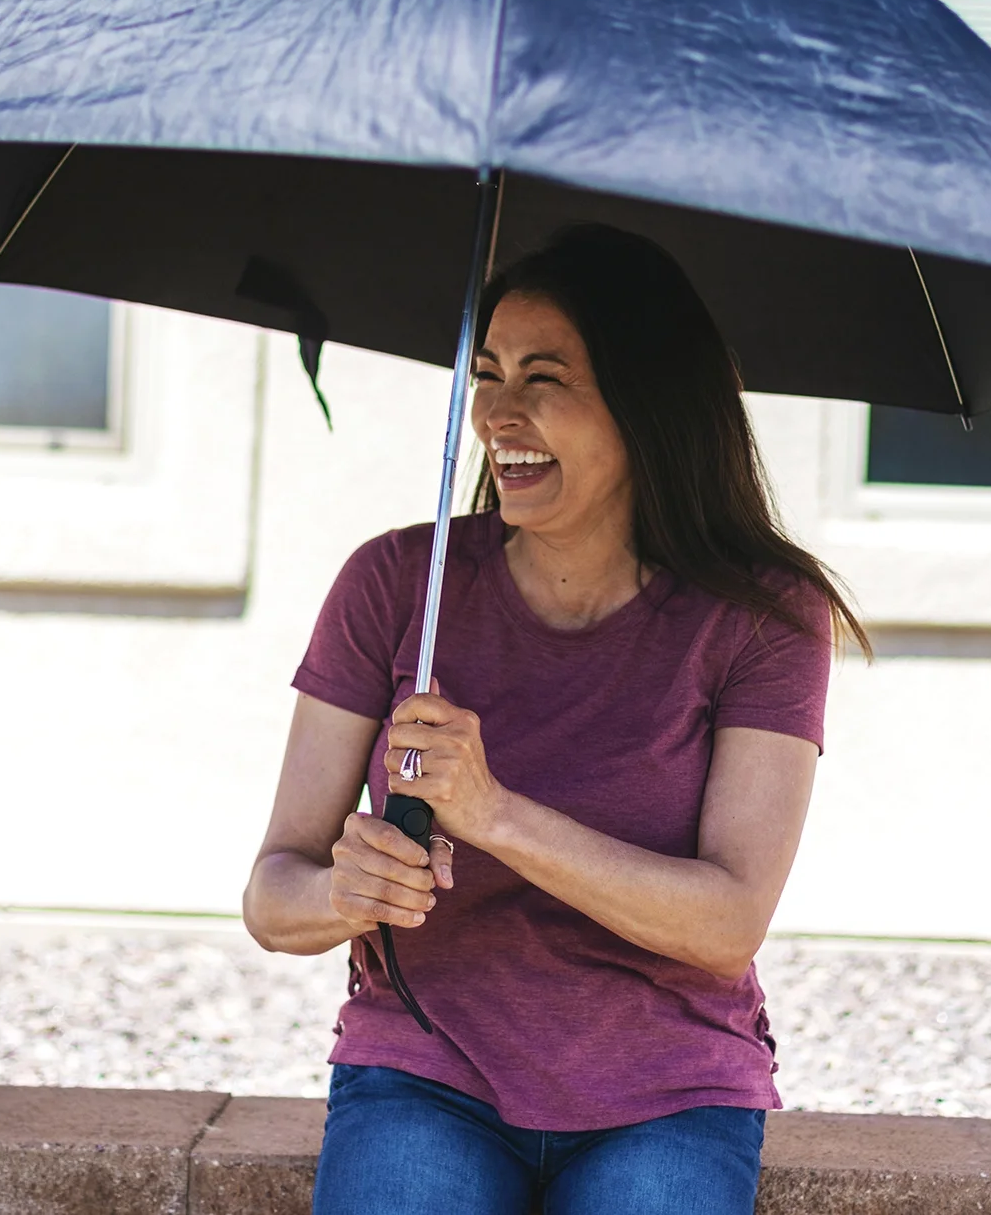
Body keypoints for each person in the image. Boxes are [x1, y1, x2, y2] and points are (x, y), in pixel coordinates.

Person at [242, 223, 870, 1214]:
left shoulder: (763, 615)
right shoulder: (399, 584)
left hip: (668, 1094)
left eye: (545, 378)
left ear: (646, 400)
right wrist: (348, 892)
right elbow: (273, 897)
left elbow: (726, 921)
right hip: (425, 1076)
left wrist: (493, 814)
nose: (498, 412)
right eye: (487, 374)